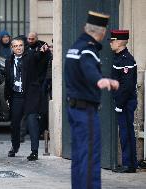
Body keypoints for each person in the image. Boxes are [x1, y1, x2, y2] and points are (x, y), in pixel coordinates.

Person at [64, 11, 119, 189]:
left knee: (79, 156)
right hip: (85, 111)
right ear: (101, 32)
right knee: (90, 157)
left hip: (74, 108)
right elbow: (88, 67)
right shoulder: (88, 49)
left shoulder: (75, 47)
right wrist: (100, 79)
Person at [4, 37, 49, 161]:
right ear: (12, 48)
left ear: (24, 47)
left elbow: (38, 56)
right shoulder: (8, 61)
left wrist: (43, 50)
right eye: (16, 46)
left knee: (32, 122)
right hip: (16, 96)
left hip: (30, 95)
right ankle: (15, 147)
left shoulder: (29, 57)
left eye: (20, 45)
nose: (18, 48)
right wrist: (7, 97)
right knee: (15, 124)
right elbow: (8, 80)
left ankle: (34, 151)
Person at [110, 30, 138, 173]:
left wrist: (120, 104)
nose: (111, 43)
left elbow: (127, 86)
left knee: (126, 133)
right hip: (123, 101)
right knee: (126, 132)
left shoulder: (126, 59)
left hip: (126, 102)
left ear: (120, 42)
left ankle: (129, 164)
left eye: (112, 40)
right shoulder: (119, 57)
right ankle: (130, 163)